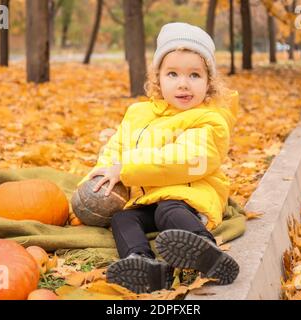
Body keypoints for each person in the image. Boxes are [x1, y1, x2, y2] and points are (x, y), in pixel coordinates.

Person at [82, 22, 240, 294]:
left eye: (194, 75)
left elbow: (184, 158)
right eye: (172, 74)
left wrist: (127, 170)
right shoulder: (138, 113)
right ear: (158, 79)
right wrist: (97, 179)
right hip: (146, 198)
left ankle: (205, 249)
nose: (183, 84)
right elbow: (115, 148)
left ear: (209, 83)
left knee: (169, 209)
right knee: (123, 219)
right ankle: (143, 264)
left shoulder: (209, 120)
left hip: (189, 197)